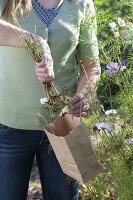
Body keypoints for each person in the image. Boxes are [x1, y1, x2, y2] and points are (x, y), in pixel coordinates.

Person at [0, 0, 100, 199]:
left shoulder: (81, 4)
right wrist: (35, 41)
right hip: (10, 125)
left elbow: (91, 66)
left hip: (65, 124)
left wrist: (84, 95)